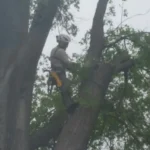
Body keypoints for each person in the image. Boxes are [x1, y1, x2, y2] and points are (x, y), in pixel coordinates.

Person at [49, 34, 79, 114]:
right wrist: (77, 70)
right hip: (59, 74)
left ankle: (69, 104)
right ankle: (70, 106)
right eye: (65, 43)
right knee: (66, 88)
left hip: (55, 73)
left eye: (67, 44)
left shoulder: (54, 50)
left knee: (64, 89)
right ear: (61, 42)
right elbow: (67, 63)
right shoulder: (60, 51)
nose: (67, 45)